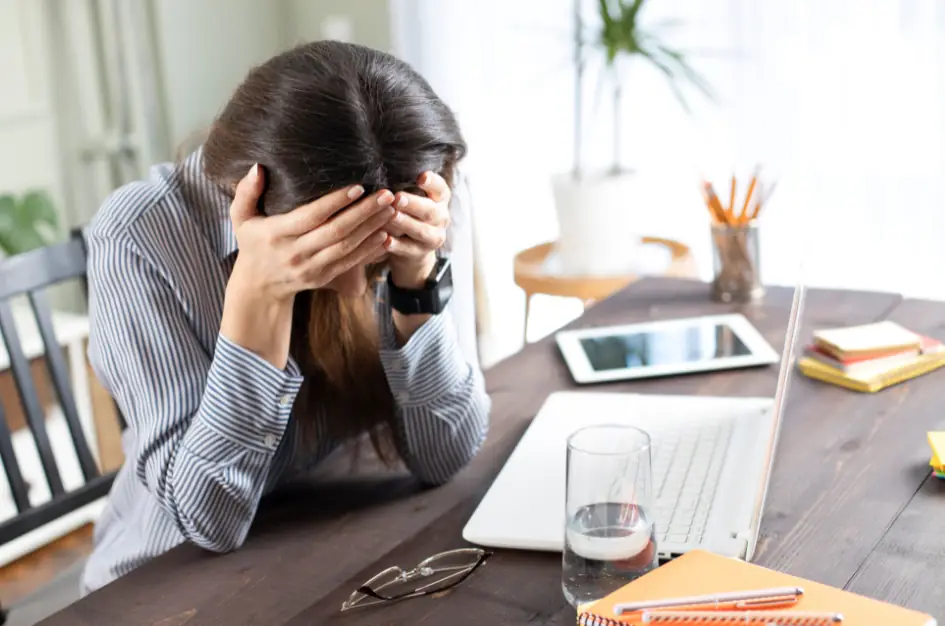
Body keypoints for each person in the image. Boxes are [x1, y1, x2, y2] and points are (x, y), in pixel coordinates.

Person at [80, 40, 490, 594]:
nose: (352, 290)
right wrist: (258, 295)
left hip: (320, 543)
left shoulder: (414, 192)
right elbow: (209, 521)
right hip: (165, 582)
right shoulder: (140, 236)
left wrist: (414, 277)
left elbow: (445, 454)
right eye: (330, 261)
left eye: (374, 266)